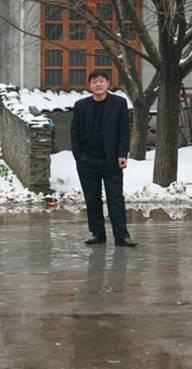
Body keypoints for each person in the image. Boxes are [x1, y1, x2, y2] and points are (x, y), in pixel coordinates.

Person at [70, 70, 137, 247]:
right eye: (94, 81)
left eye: (101, 81)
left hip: (112, 160)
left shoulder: (119, 103)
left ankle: (121, 236)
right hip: (87, 161)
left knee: (115, 198)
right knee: (92, 199)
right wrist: (79, 157)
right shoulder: (81, 105)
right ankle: (97, 234)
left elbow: (124, 130)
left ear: (108, 83)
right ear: (89, 85)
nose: (98, 84)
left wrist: (123, 154)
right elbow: (75, 133)